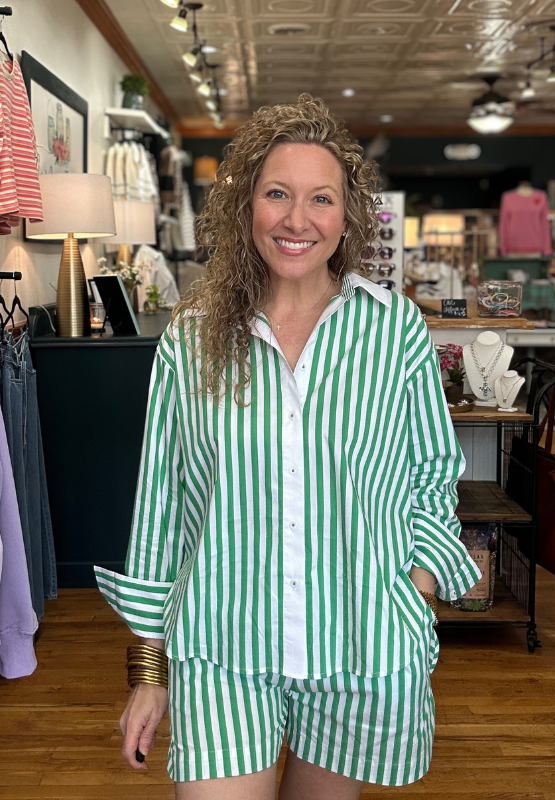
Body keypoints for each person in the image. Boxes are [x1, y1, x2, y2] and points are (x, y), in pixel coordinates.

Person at [94, 94, 481, 800]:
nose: (297, 219)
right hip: (221, 650)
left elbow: (430, 478)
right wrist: (150, 672)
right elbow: (161, 511)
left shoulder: (393, 333)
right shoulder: (193, 337)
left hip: (358, 647)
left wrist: (417, 593)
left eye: (320, 199)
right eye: (277, 193)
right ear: (246, 206)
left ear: (347, 217)